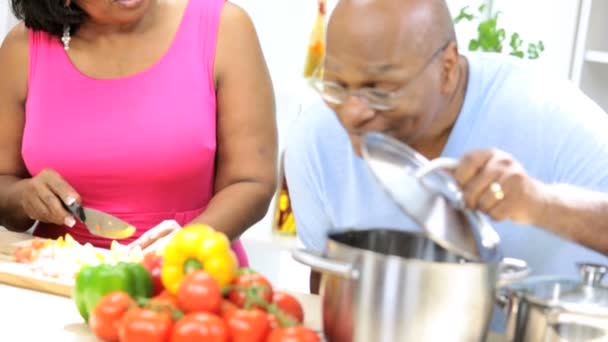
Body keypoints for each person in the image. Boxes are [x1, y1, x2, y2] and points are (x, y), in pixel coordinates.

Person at [285, 0, 608, 296]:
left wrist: (538, 202)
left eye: (380, 89)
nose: (352, 113)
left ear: (447, 68)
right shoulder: (316, 140)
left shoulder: (552, 118)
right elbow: (328, 284)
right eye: (337, 85)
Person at [0, 0, 277, 266]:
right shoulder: (22, 48)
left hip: (189, 281)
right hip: (54, 279)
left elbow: (251, 182)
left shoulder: (224, 28)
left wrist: (190, 242)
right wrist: (24, 197)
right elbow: (4, 185)